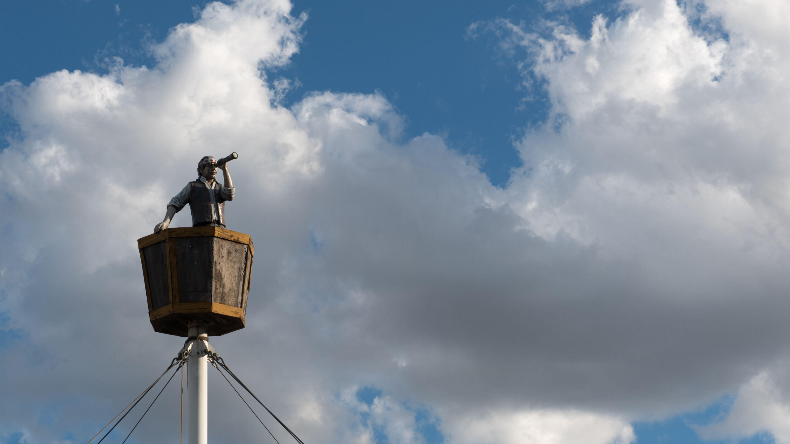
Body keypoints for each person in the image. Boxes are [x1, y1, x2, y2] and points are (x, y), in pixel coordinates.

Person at [154, 156, 235, 233]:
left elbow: (230, 195)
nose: (213, 168)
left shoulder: (220, 187)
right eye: (209, 166)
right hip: (200, 230)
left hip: (220, 229)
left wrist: (224, 169)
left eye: (215, 166)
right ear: (201, 169)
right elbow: (175, 202)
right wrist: (166, 222)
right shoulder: (193, 186)